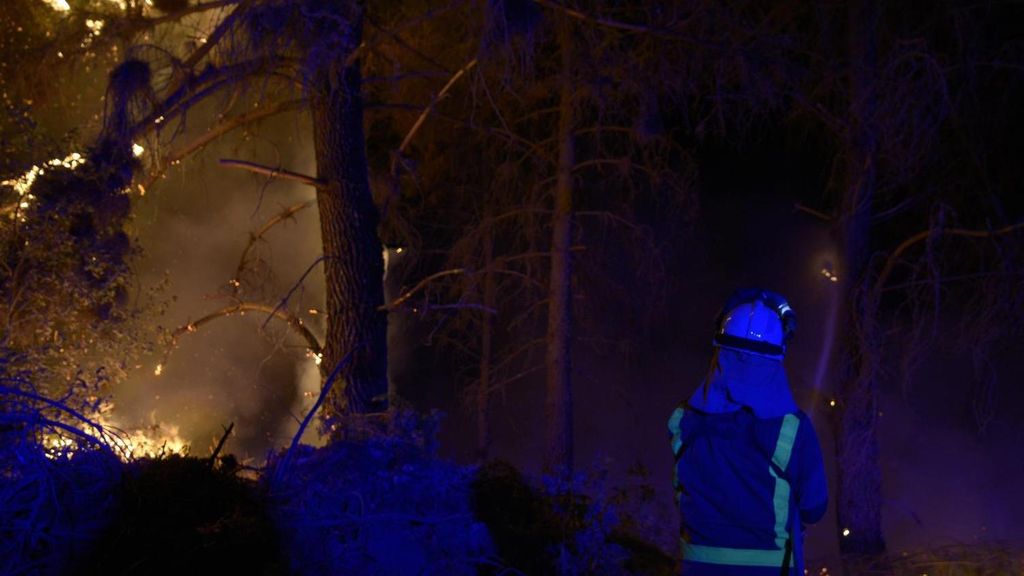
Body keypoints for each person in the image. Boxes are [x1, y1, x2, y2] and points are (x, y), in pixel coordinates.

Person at [667, 288, 828, 575]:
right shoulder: (794, 428)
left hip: (696, 566)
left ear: (719, 346)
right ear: (778, 356)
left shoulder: (684, 418)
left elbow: (681, 489)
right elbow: (814, 508)